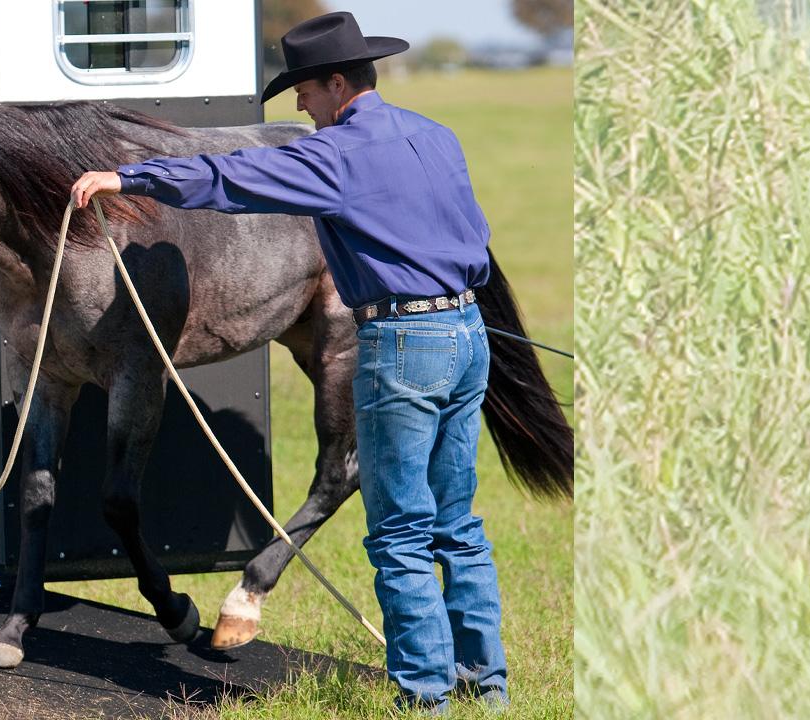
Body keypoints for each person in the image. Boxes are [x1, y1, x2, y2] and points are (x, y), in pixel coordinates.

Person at [68, 10, 508, 713]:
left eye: (303, 90)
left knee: (398, 536)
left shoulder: (336, 154)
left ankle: (425, 699)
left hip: (401, 346)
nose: (300, 107)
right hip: (467, 335)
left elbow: (228, 177)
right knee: (456, 525)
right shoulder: (436, 135)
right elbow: (477, 243)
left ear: (337, 84)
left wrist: (128, 178)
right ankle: (487, 689)